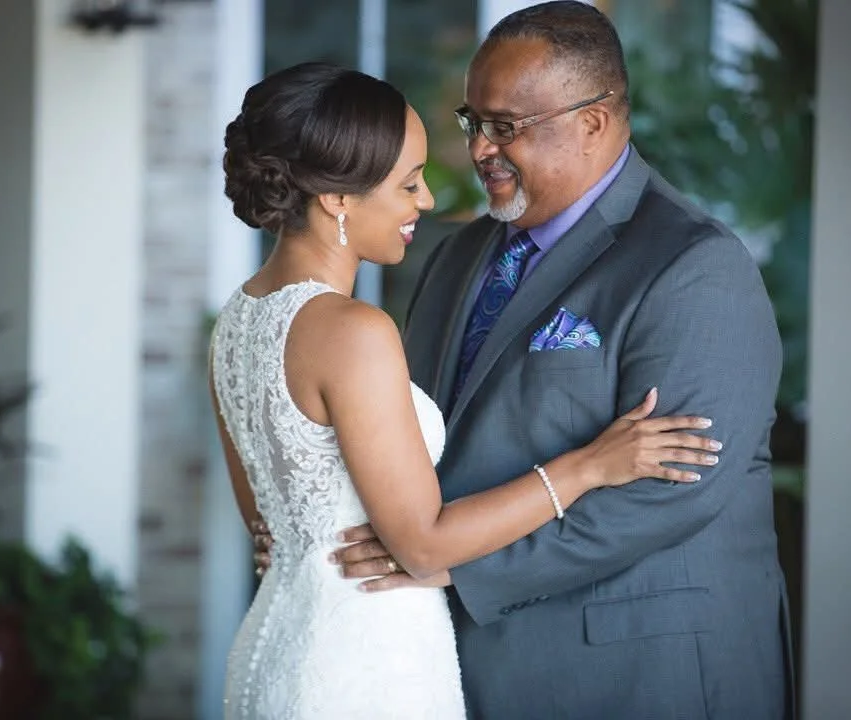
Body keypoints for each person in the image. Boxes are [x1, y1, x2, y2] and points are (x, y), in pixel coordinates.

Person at [308, 2, 794, 718]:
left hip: (637, 671)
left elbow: (672, 486)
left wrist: (446, 559)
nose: (478, 150)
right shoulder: (454, 256)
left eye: (506, 127)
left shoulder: (694, 265)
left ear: (593, 121)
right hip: (470, 664)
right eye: (475, 122)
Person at [210, 61, 722, 719]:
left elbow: (265, 526)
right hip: (365, 659)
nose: (424, 202)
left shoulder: (237, 320)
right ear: (338, 198)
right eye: (409, 183)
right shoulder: (351, 331)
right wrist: (587, 467)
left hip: (275, 648)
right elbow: (421, 545)